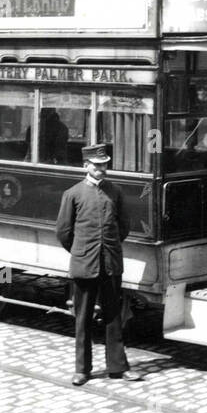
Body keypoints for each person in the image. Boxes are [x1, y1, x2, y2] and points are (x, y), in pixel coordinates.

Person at [55, 143, 141, 384]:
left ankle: (118, 367)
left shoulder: (115, 192)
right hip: (85, 265)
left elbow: (123, 227)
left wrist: (108, 248)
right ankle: (82, 370)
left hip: (110, 264)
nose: (102, 169)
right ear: (86, 166)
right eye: (97, 165)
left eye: (104, 165)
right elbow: (63, 231)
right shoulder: (73, 194)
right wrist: (81, 252)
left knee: (114, 317)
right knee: (83, 319)